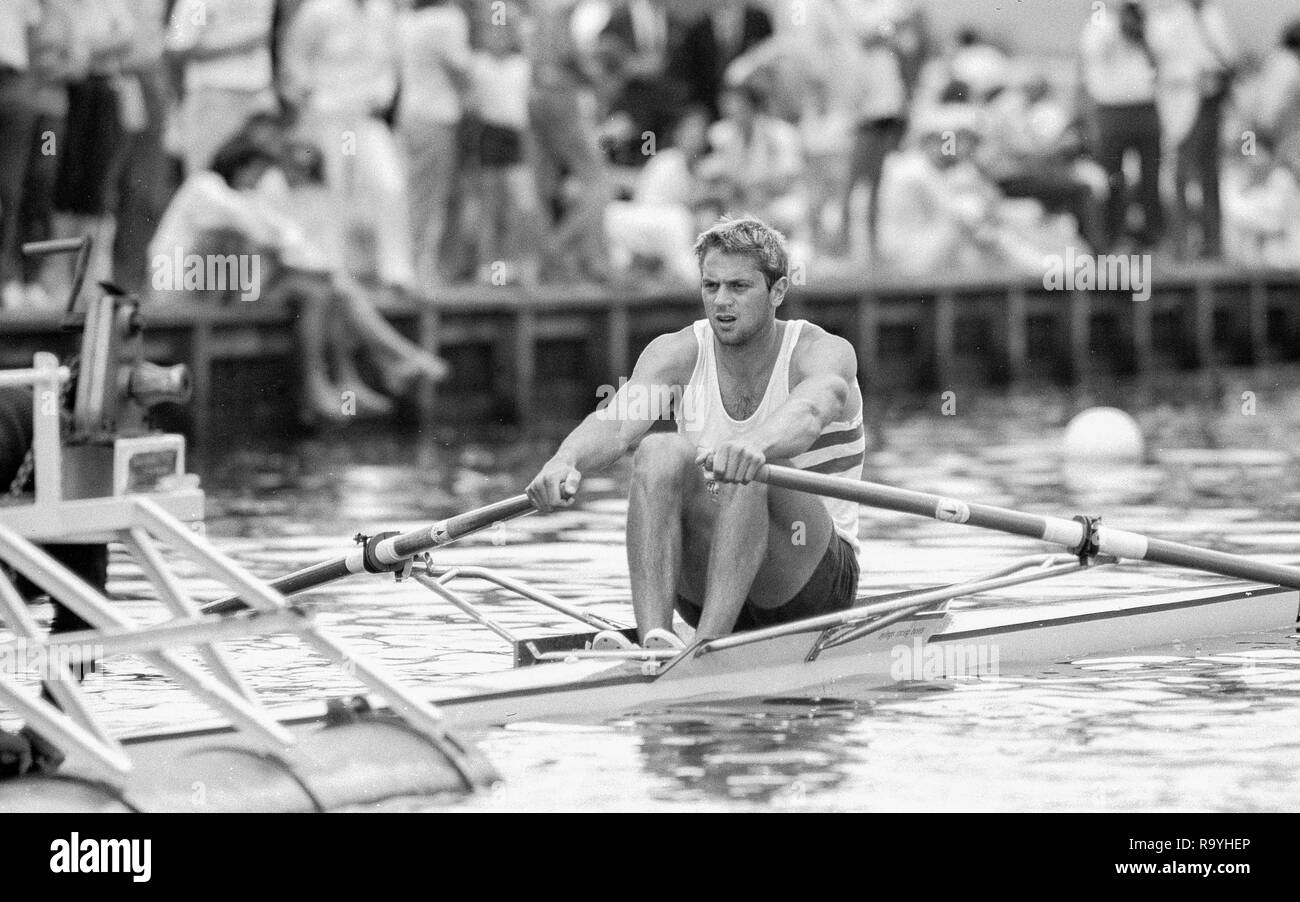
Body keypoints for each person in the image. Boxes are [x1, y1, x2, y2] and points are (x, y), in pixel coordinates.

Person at [526, 217, 864, 647]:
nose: (722, 301)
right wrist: (564, 460)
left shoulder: (820, 351)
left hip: (809, 582)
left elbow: (814, 407)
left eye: (739, 287)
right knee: (658, 450)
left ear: (777, 292)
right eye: (711, 287)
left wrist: (753, 445)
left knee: (756, 463)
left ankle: (706, 650)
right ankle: (657, 640)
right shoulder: (679, 352)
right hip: (713, 576)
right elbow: (614, 426)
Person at [1149, 0, 1237, 260]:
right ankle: (1191, 243)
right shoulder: (1175, 16)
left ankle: (1203, 244)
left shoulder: (1207, 14)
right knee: (1191, 175)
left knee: (1201, 174)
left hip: (1203, 100)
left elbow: (1226, 55)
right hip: (1189, 100)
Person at [1079, 0, 1164, 251]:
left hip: (1146, 109)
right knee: (1112, 177)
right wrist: (1119, 26)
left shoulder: (1146, 29)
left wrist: (1140, 32)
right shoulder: (1100, 24)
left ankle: (1153, 235)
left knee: (1151, 177)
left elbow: (1159, 60)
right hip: (1113, 111)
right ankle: (1110, 236)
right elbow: (1095, 49)